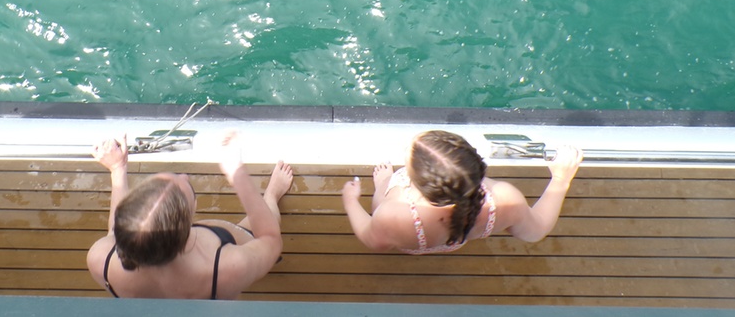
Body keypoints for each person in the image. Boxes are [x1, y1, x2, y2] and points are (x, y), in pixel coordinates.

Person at [86, 131, 293, 299]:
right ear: (186, 231)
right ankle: (272, 196)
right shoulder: (226, 268)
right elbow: (270, 239)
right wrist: (237, 174)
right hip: (222, 258)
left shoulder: (100, 260)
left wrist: (118, 169)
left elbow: (115, 232)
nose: (184, 176)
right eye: (190, 191)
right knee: (256, 226)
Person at [342, 130, 582, 254]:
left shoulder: (393, 216)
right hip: (458, 238)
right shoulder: (504, 199)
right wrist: (560, 179)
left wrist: (352, 201)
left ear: (417, 185)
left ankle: (383, 185)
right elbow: (535, 231)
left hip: (414, 238)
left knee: (384, 197)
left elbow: (374, 240)